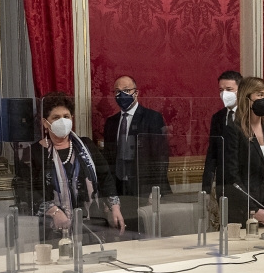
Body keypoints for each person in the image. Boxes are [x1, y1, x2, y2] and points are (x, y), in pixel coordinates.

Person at [30, 92, 125, 243]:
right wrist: (53, 211)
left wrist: (115, 207)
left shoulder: (86, 145)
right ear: (45, 123)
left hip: (92, 224)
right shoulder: (35, 152)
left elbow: (105, 177)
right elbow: (28, 190)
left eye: (66, 116)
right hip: (55, 229)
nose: (62, 121)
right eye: (56, 118)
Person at [102, 75, 171, 234]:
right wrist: (108, 195)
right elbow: (108, 160)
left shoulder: (152, 118)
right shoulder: (111, 123)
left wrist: (155, 191)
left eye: (126, 90)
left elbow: (161, 157)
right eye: (117, 91)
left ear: (136, 93)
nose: (122, 95)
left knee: (145, 233)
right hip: (120, 189)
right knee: (123, 233)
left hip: (144, 189)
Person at [222, 77, 264, 225]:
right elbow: (232, 175)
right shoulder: (233, 130)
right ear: (247, 98)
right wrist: (253, 210)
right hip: (242, 212)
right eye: (260, 95)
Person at [202, 70, 244, 220]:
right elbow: (212, 154)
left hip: (246, 186)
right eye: (221, 90)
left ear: (240, 90)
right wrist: (206, 189)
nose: (224, 94)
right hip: (224, 187)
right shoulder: (218, 118)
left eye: (229, 89)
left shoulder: (250, 116)